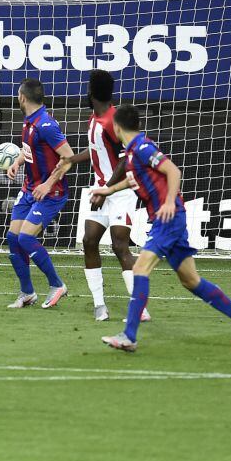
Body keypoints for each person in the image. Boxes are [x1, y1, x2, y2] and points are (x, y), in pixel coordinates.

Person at [92, 105, 231, 352]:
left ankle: (130, 336)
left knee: (140, 268)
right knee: (191, 281)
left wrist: (170, 201)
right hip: (170, 220)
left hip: (167, 219)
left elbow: (172, 170)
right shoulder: (131, 152)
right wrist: (109, 190)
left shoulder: (143, 147)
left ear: (116, 127)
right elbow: (133, 179)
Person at [76, 69, 151, 322]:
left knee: (120, 246)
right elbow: (97, 151)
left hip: (120, 192)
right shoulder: (94, 119)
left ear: (91, 92)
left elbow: (124, 159)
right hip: (102, 189)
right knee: (89, 241)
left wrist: (106, 189)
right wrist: (71, 160)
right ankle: (99, 305)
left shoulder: (112, 121)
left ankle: (139, 308)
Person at [4, 78, 74, 309]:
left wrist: (48, 184)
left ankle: (57, 285)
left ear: (22, 97)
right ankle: (27, 293)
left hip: (50, 193)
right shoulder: (29, 121)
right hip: (29, 189)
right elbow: (31, 150)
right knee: (13, 238)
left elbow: (68, 157)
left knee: (26, 237)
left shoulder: (46, 125)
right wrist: (18, 161)